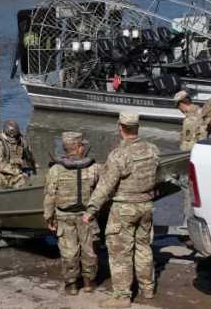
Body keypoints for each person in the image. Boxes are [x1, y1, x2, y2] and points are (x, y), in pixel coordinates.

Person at [82, 113, 160, 308]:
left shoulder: (119, 154)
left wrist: (91, 210)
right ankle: (147, 288)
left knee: (120, 252)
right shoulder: (152, 149)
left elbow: (105, 186)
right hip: (146, 206)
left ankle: (122, 297)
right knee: (143, 247)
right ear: (137, 127)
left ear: (120, 127)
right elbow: (157, 176)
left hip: (124, 208)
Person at [44, 132, 100, 296]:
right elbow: (101, 190)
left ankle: (72, 285)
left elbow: (50, 196)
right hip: (86, 216)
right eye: (82, 144)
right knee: (89, 249)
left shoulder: (56, 170)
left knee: (69, 251)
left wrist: (48, 217)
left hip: (64, 216)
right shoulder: (93, 167)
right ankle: (89, 282)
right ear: (79, 147)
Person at [0, 119, 35, 190]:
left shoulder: (22, 142)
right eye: (12, 137)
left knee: (26, 183)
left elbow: (29, 156)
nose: (13, 139)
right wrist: (16, 171)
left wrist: (32, 165)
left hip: (15, 171)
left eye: (15, 137)